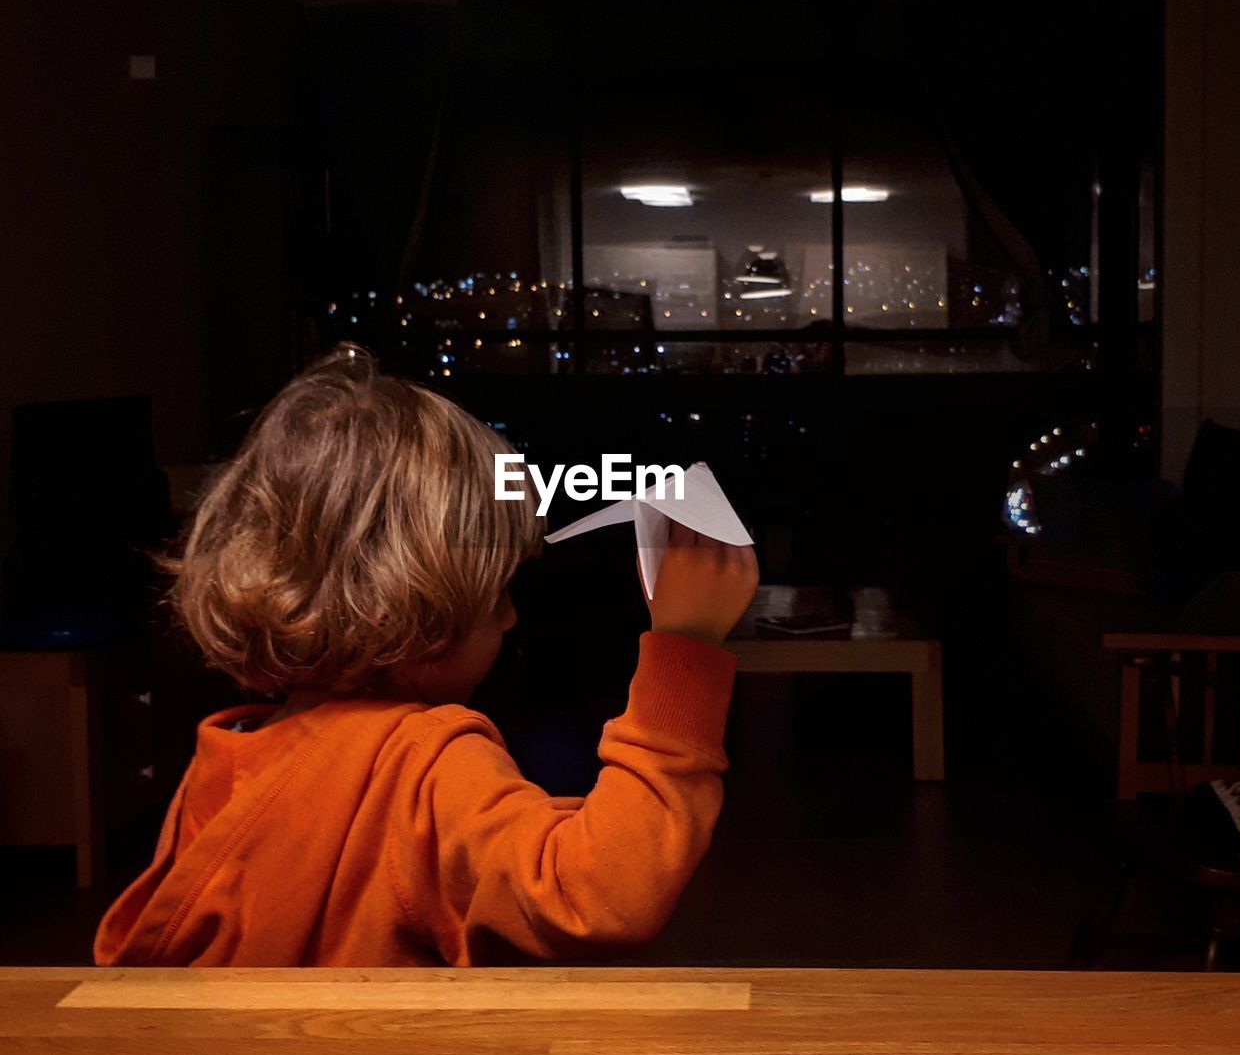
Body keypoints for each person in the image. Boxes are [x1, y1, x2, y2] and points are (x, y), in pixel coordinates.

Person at [94, 345, 758, 966]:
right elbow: (601, 894)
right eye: (495, 591)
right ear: (415, 601)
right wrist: (686, 648)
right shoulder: (428, 760)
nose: (511, 614)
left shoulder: (232, 749)